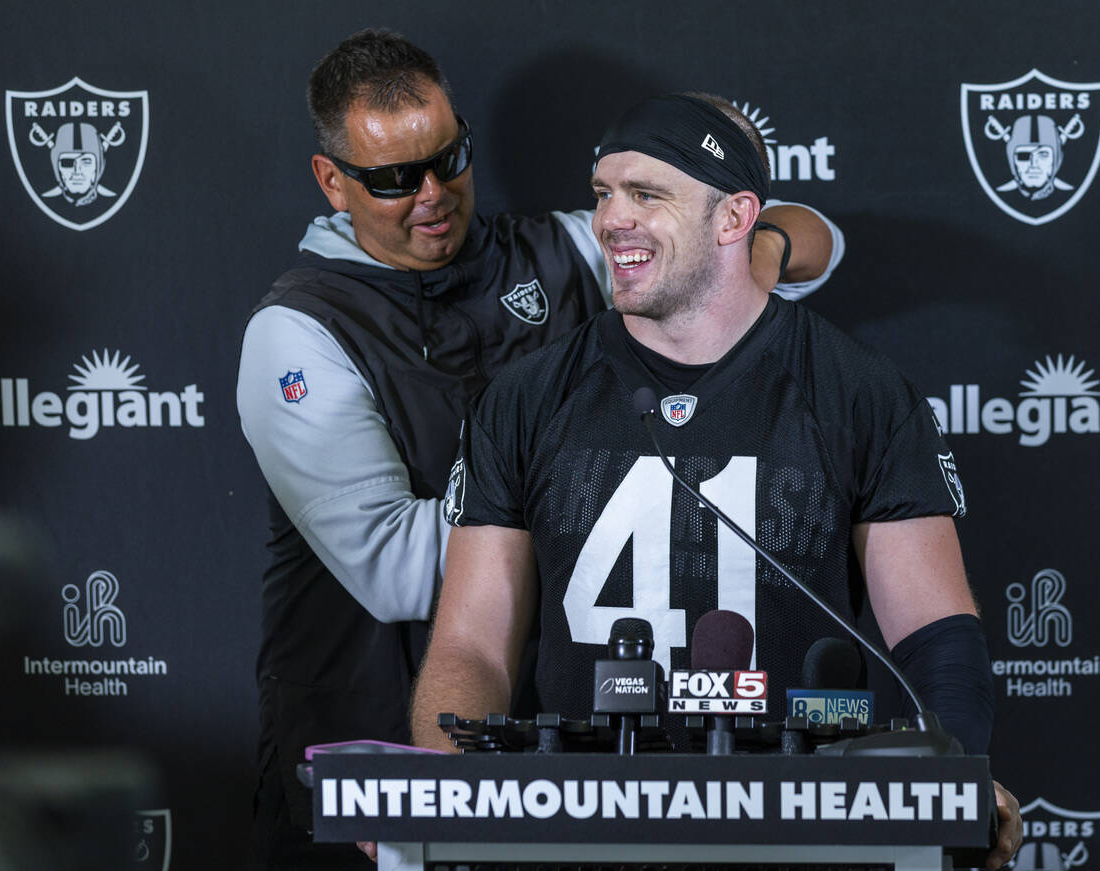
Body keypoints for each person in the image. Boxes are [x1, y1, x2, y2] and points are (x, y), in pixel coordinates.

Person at [236, 30, 843, 869]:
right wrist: (602, 496)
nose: (432, 194)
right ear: (331, 181)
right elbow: (395, 569)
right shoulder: (297, 332)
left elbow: (814, 238)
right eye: (391, 179)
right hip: (375, 757)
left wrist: (741, 259)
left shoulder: (562, 249)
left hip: (552, 758)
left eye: (450, 158)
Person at [409, 94, 1022, 869]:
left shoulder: (857, 391)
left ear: (735, 219)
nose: (610, 220)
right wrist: (437, 793)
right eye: (603, 194)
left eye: (647, 195)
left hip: (800, 834)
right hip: (579, 833)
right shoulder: (527, 397)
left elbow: (936, 633)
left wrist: (954, 779)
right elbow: (472, 643)